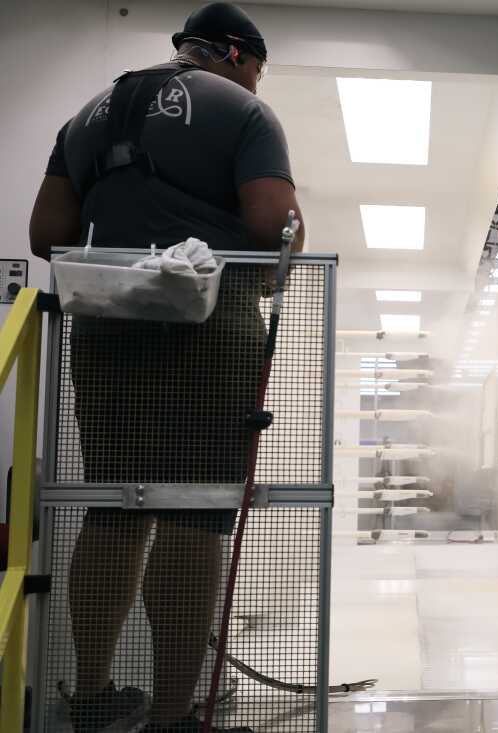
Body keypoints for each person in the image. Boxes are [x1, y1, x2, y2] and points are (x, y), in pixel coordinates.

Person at [28, 3, 305, 732]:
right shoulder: (244, 111)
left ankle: (90, 697)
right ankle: (177, 715)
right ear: (241, 57)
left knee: (117, 506)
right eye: (260, 74)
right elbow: (271, 225)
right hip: (206, 330)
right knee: (194, 513)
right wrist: (290, 246)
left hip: (106, 327)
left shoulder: (90, 113)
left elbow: (47, 233)